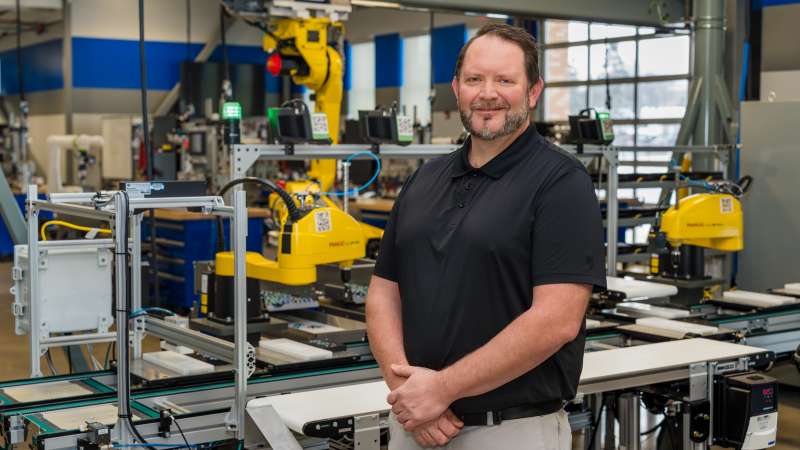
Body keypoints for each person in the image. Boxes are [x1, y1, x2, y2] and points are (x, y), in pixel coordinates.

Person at [365, 22, 606, 449]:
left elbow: (557, 321)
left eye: (505, 80)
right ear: (457, 88)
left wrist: (441, 390)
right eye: (475, 79)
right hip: (414, 423)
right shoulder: (424, 180)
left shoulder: (561, 182)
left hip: (509, 431)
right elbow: (384, 293)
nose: (487, 93)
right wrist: (410, 392)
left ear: (533, 91)